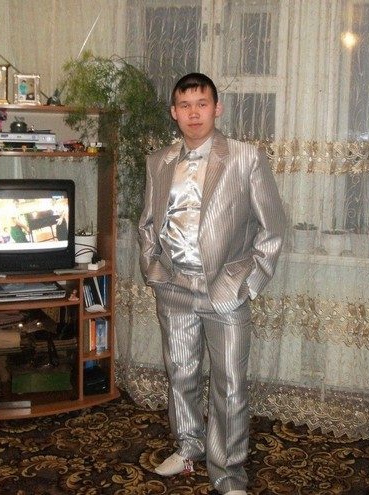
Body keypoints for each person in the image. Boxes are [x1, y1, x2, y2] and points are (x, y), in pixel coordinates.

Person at [138, 73, 285, 495]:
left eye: (201, 104)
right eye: (185, 106)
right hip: (174, 288)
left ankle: (228, 473)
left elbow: (273, 228)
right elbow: (147, 223)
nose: (193, 113)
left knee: (230, 386)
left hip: (225, 290)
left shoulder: (245, 158)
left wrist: (247, 283)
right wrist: (153, 269)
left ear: (216, 108)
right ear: (174, 112)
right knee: (180, 374)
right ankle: (189, 447)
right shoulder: (159, 161)